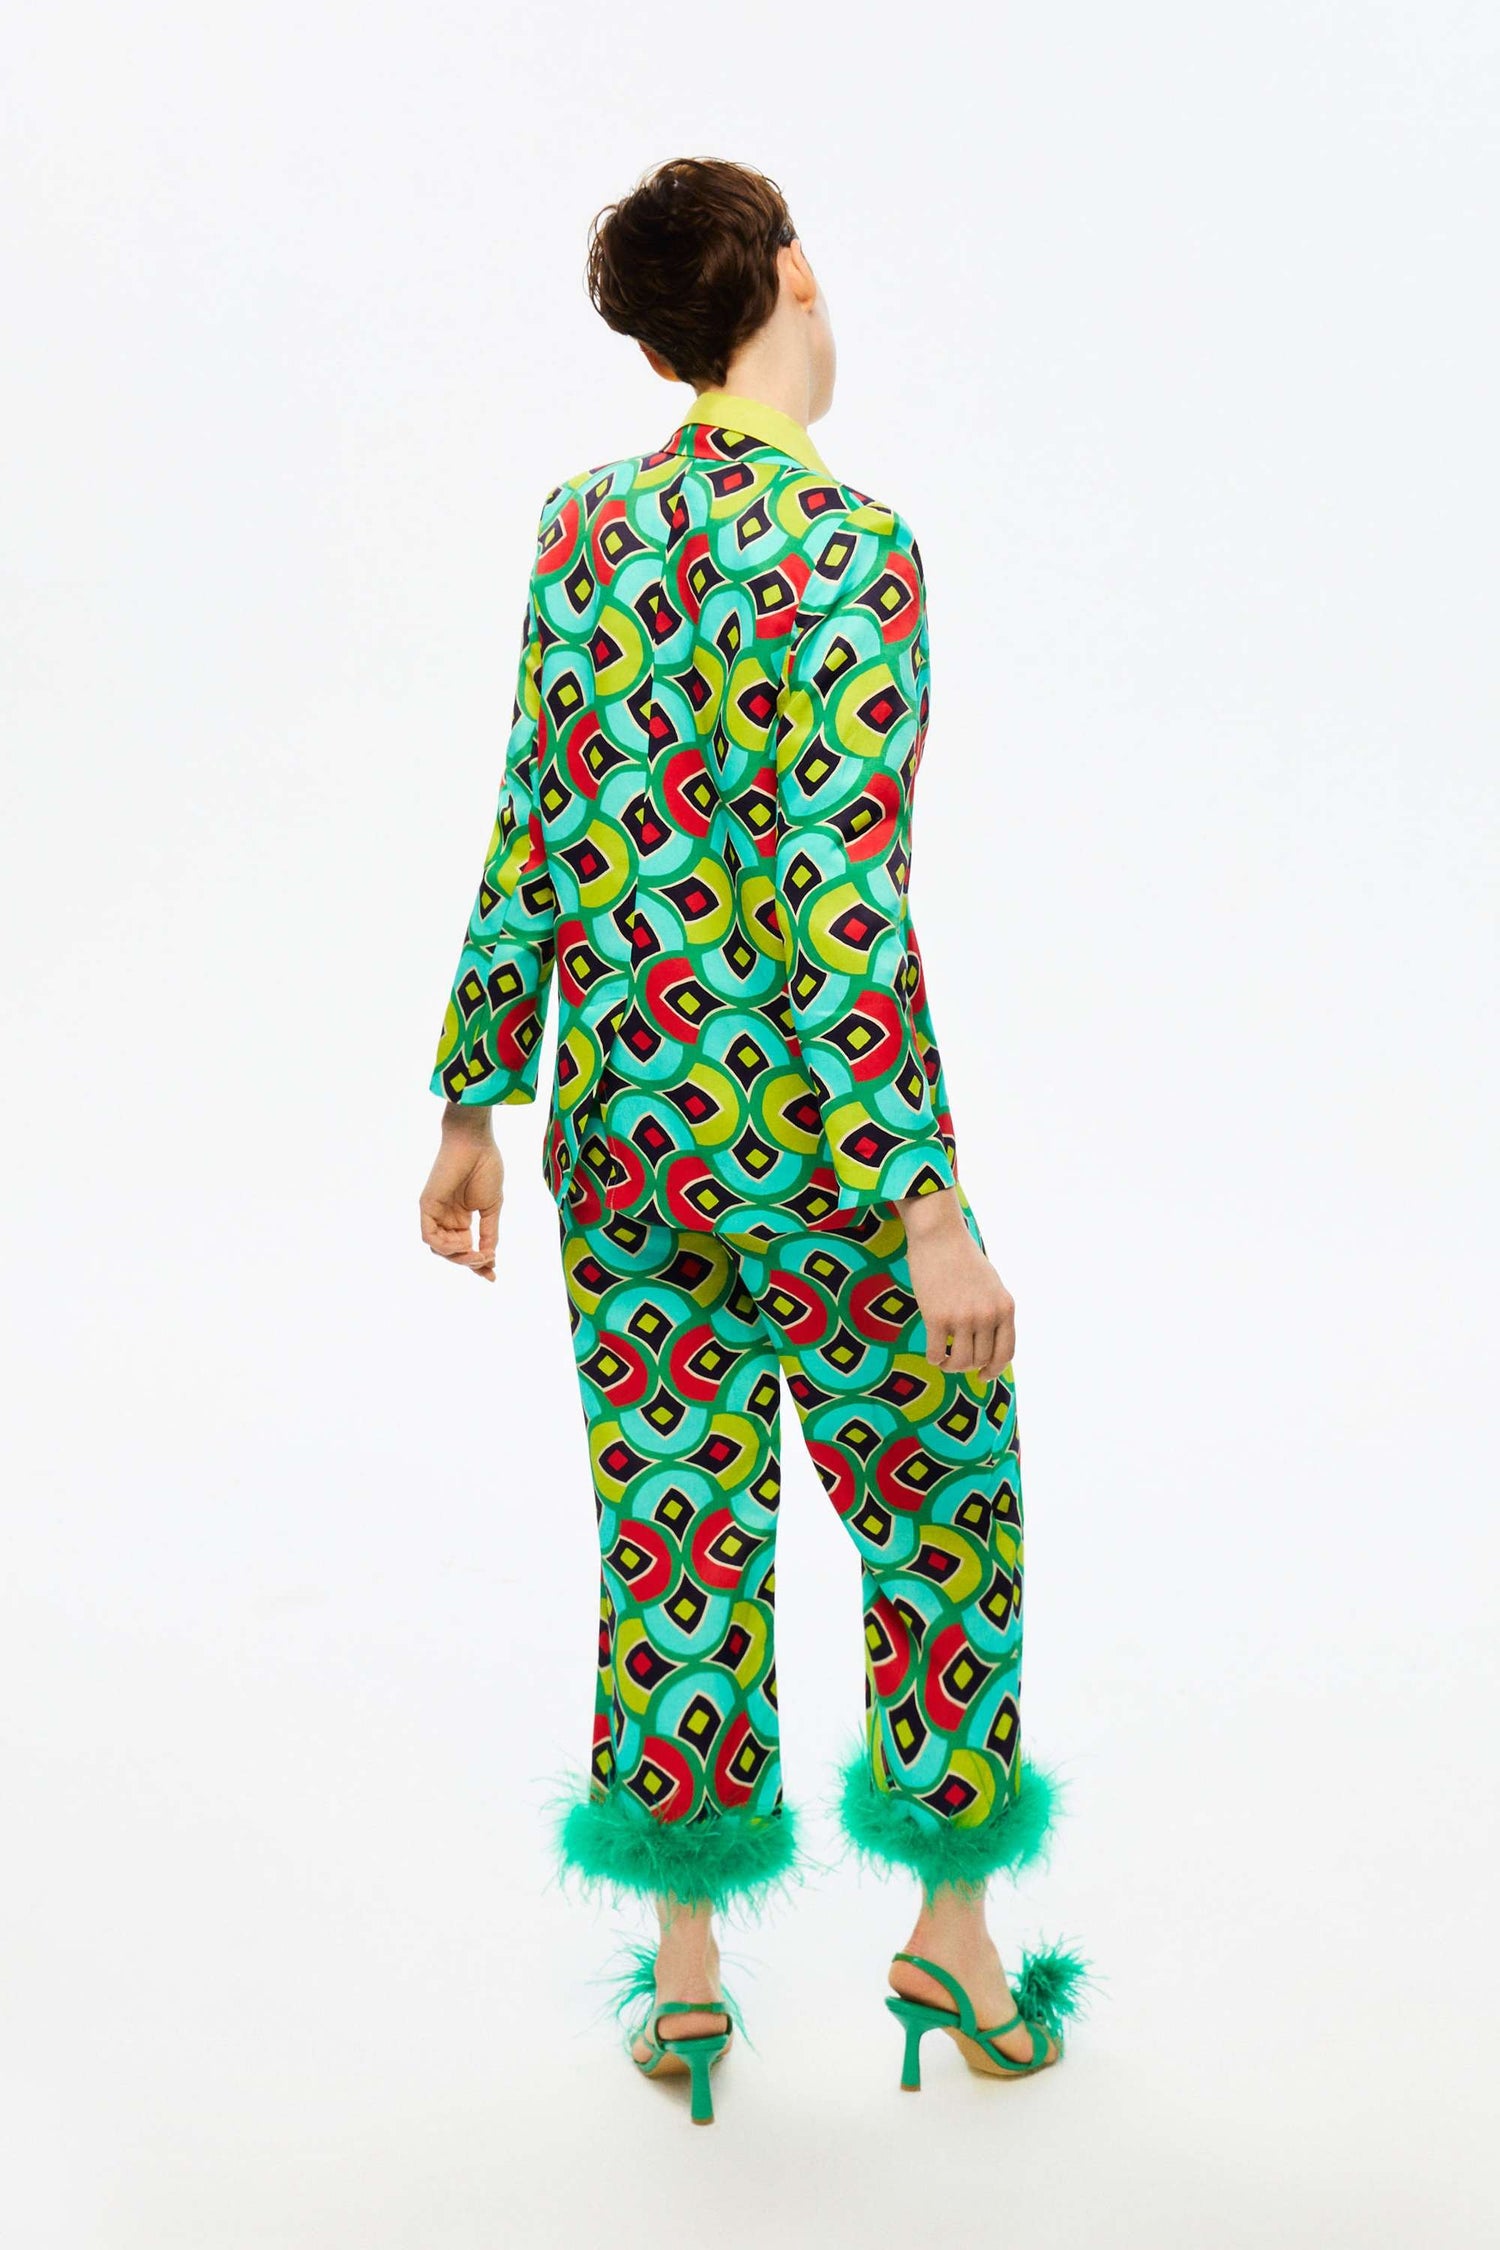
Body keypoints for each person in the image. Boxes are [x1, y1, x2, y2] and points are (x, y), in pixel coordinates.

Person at [419, 156, 1086, 2122]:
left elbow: (537, 811)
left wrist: (474, 1099)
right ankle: (951, 1939)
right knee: (942, 1506)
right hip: (821, 1155)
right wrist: (926, 1201)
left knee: (673, 1532)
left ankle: (691, 1980)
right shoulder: (854, 550)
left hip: (626, 1145)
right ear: (791, 274)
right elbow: (837, 891)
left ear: (655, 346)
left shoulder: (584, 529)